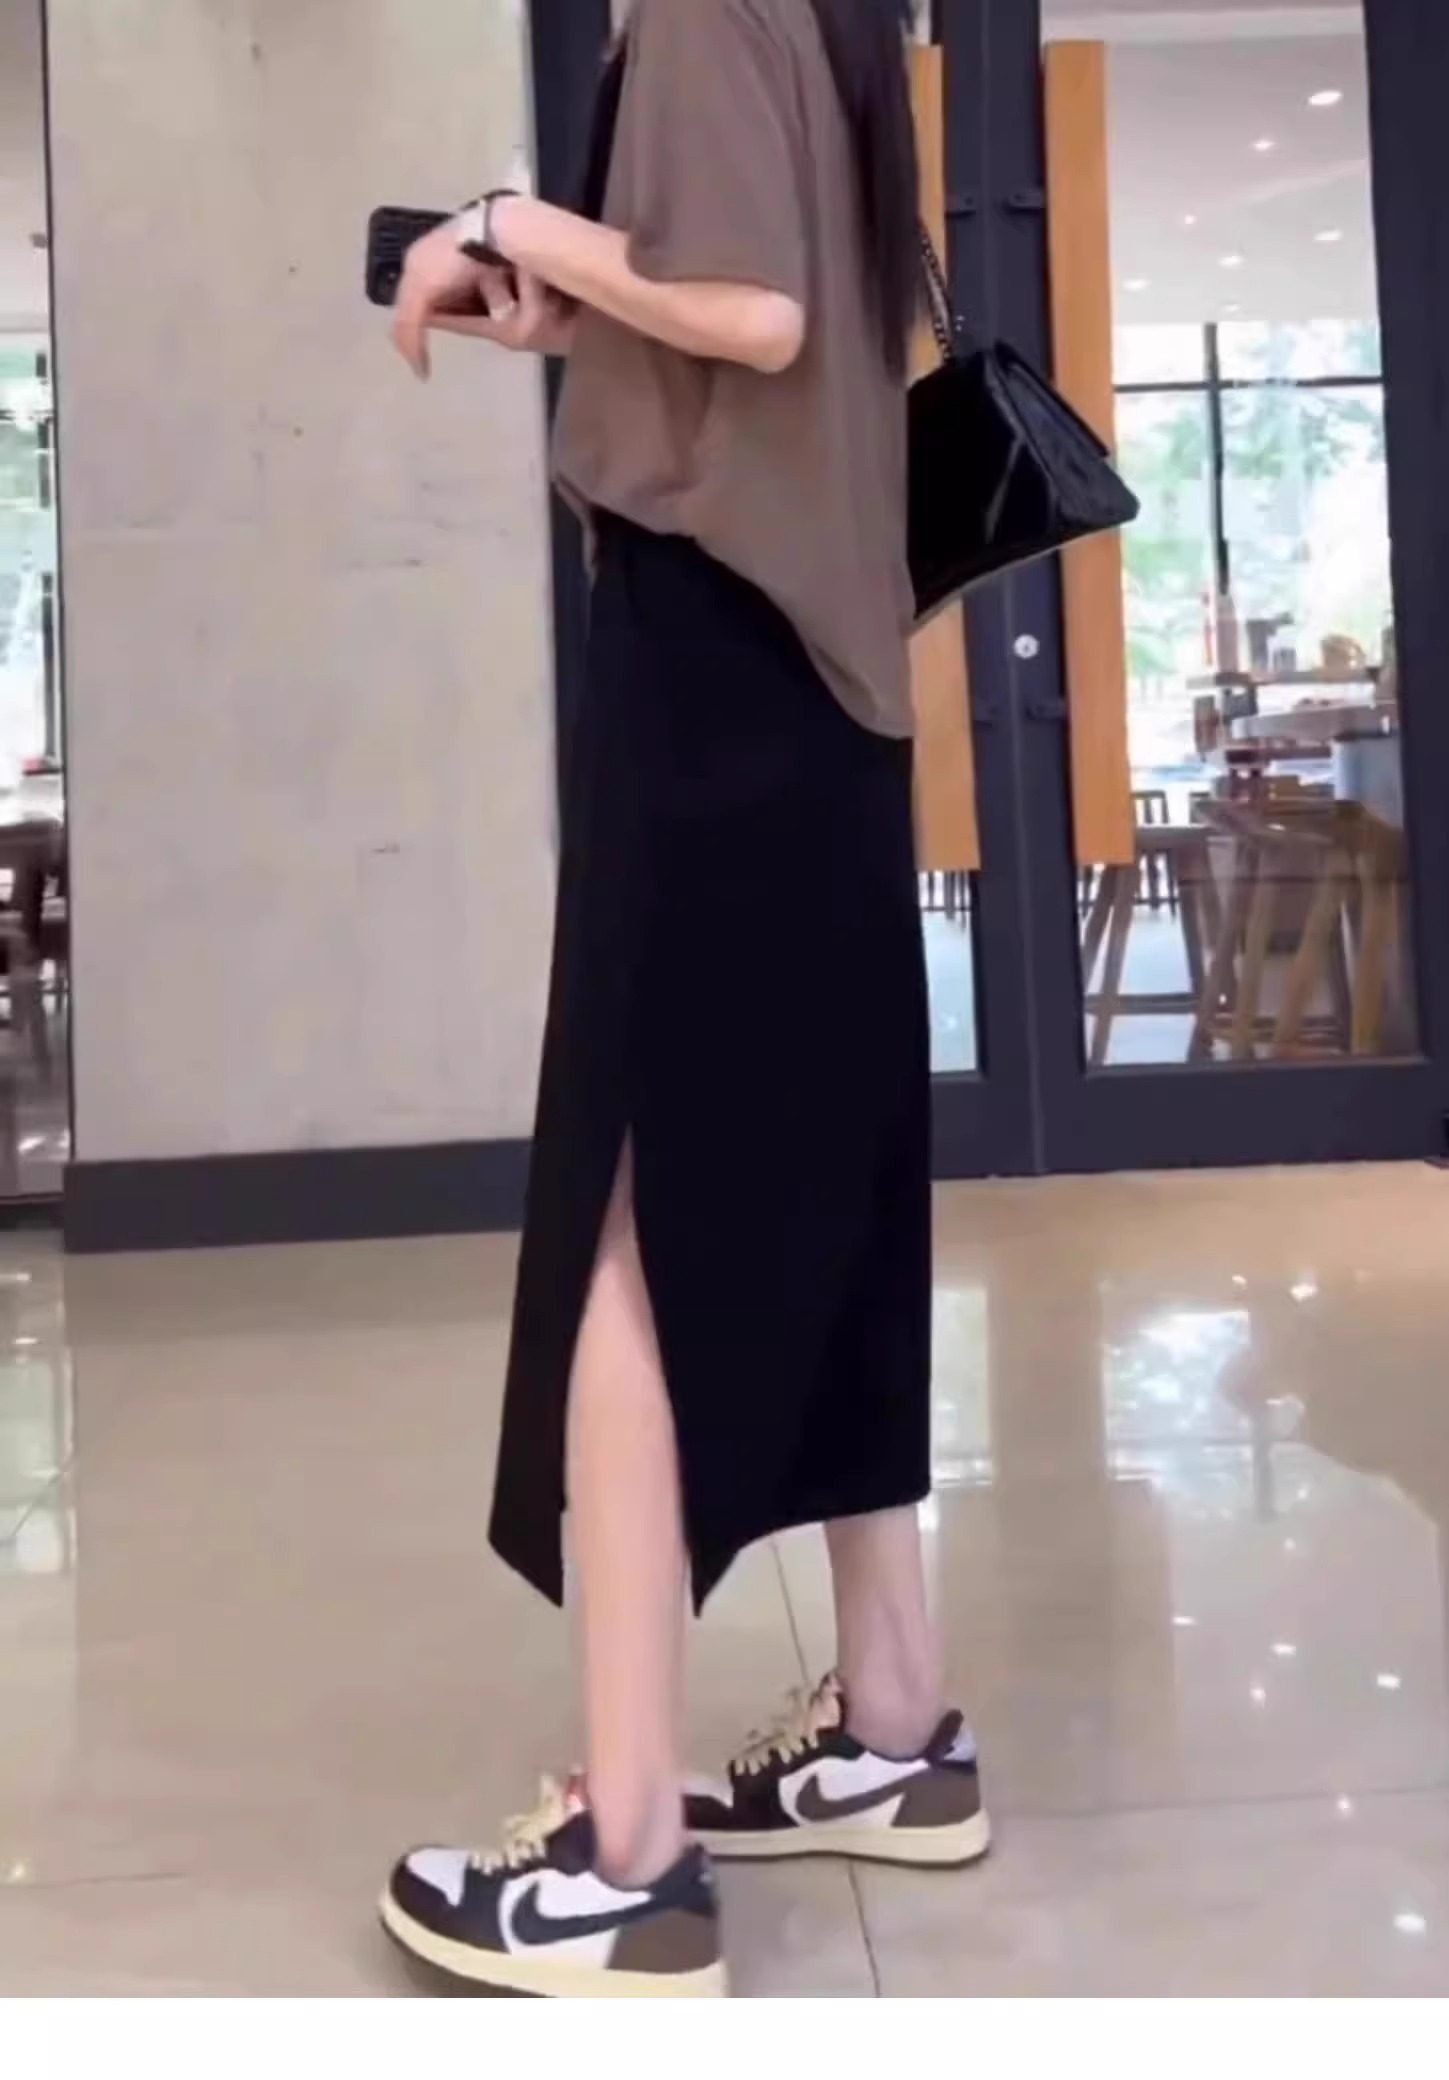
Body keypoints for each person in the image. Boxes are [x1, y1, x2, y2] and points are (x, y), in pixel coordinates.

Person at [378, 0, 989, 2000]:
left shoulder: (712, 5)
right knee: (842, 1187)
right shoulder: (814, 18)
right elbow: (728, 312)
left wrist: (511, 221)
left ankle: (630, 1855)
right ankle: (892, 1721)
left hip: (715, 661)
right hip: (825, 676)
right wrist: (548, 289)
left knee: (630, 1220)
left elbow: (757, 315)